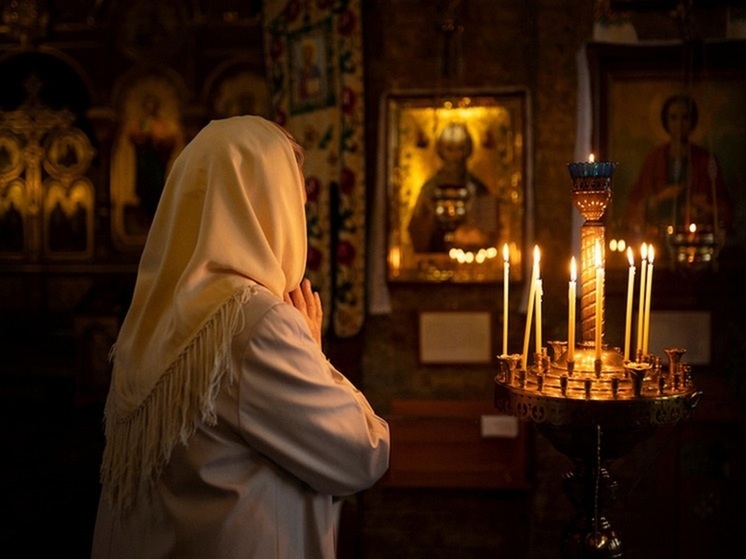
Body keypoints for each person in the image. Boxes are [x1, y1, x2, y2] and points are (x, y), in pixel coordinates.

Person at [92, 116, 390, 558]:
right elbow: (362, 455)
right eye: (294, 197)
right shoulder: (257, 322)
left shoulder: (151, 315)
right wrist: (313, 350)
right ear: (270, 203)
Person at [623, 94, 733, 241]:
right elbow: (634, 205)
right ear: (665, 121)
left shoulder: (705, 160)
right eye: (673, 118)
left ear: (692, 121)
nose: (680, 124)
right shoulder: (655, 159)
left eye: (685, 118)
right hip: (658, 239)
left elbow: (724, 208)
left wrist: (705, 208)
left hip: (695, 239)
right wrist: (659, 198)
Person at [407, 121, 500, 253]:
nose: (455, 156)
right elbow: (416, 230)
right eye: (450, 149)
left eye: (460, 148)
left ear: (468, 150)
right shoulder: (429, 189)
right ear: (441, 150)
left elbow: (489, 232)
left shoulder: (479, 189)